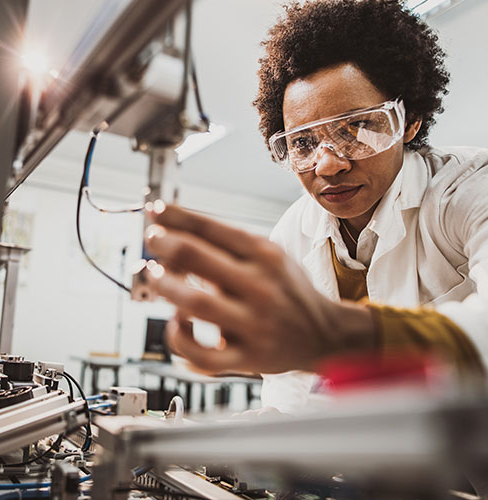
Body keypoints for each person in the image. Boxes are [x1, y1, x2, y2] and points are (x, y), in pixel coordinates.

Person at [141, 0, 488, 413]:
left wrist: (336, 334)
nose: (328, 164)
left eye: (357, 127)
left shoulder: (467, 190)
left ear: (409, 121)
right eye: (303, 143)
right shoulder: (294, 231)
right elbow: (290, 388)